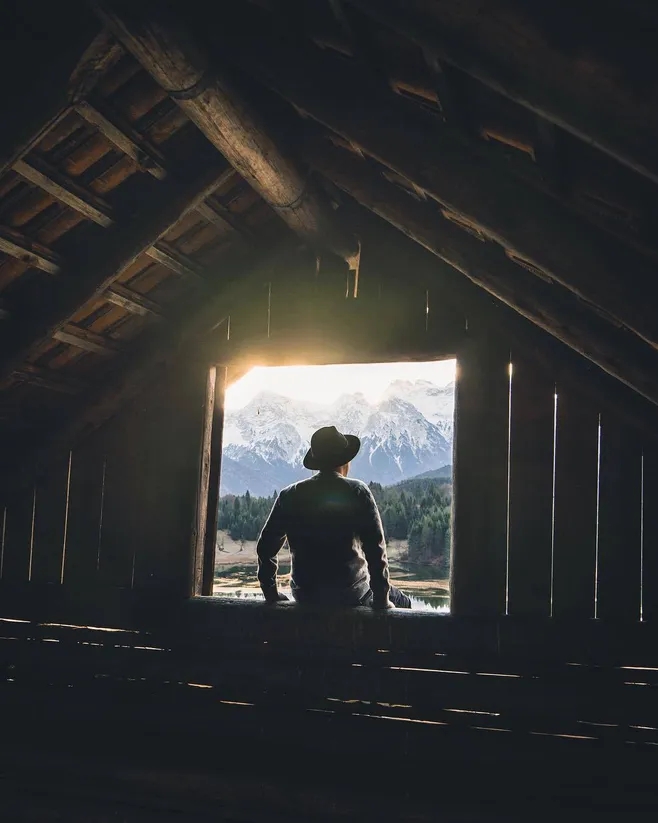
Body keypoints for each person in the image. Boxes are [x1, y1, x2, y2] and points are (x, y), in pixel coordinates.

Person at [256, 425, 412, 610]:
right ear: (344, 462)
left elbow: (265, 548)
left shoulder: (289, 495)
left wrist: (270, 591)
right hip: (351, 594)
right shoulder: (357, 491)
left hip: (306, 595)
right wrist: (381, 600)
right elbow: (375, 550)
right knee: (404, 602)